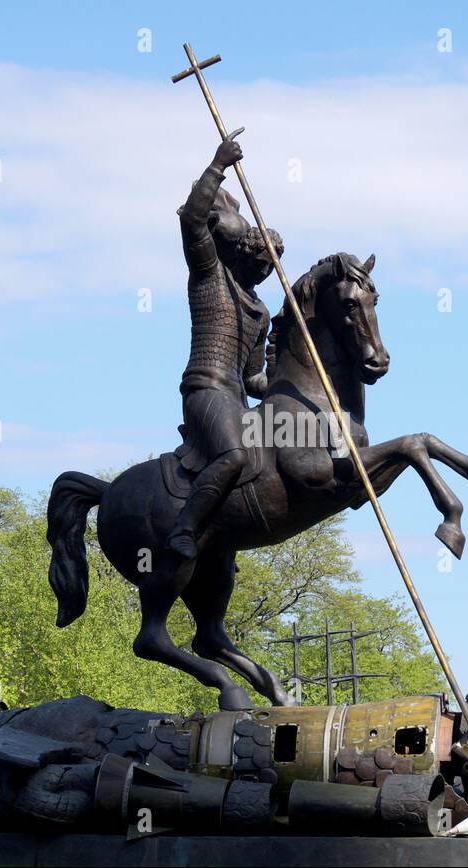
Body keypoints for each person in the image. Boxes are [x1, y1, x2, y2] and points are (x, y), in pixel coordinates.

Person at [167, 135, 283, 561]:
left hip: (237, 399)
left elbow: (253, 379)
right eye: (260, 260)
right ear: (242, 252)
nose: (265, 269)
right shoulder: (208, 272)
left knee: (290, 452)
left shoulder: (260, 311)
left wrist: (283, 386)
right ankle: (185, 528)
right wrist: (218, 164)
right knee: (233, 455)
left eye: (271, 265)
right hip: (206, 390)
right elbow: (192, 221)